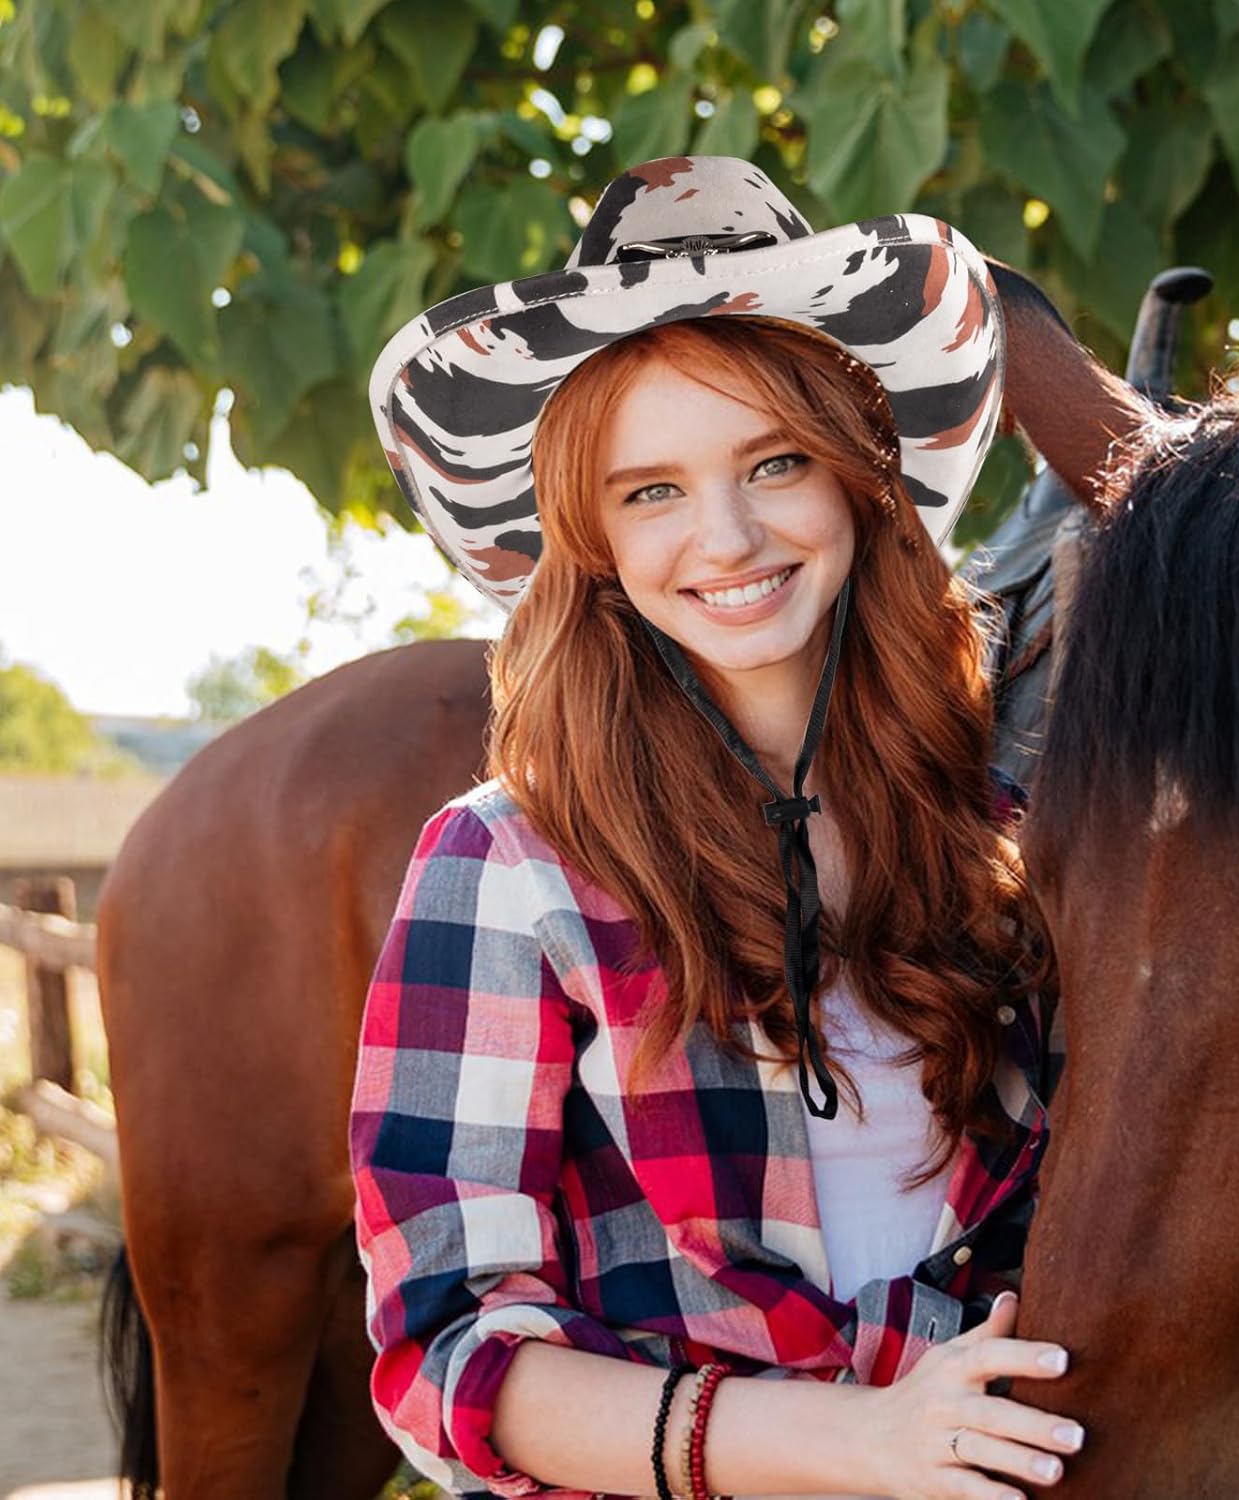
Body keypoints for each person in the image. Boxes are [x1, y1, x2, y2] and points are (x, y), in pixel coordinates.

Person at [351, 156, 1078, 1500]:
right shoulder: (505, 865)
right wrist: (854, 1447)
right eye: (652, 490)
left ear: (861, 480)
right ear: (595, 540)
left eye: (775, 462)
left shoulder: (1008, 842)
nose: (728, 538)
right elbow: (446, 1354)